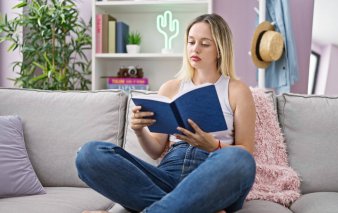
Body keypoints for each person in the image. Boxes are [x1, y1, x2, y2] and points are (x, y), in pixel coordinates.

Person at [76, 13, 256, 213]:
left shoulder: (237, 90)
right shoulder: (170, 88)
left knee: (240, 159)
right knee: (89, 154)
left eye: (205, 44)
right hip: (168, 174)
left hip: (213, 176)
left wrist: (213, 145)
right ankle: (191, 208)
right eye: (191, 42)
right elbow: (155, 150)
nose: (195, 48)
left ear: (220, 50)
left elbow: (246, 150)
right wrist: (139, 130)